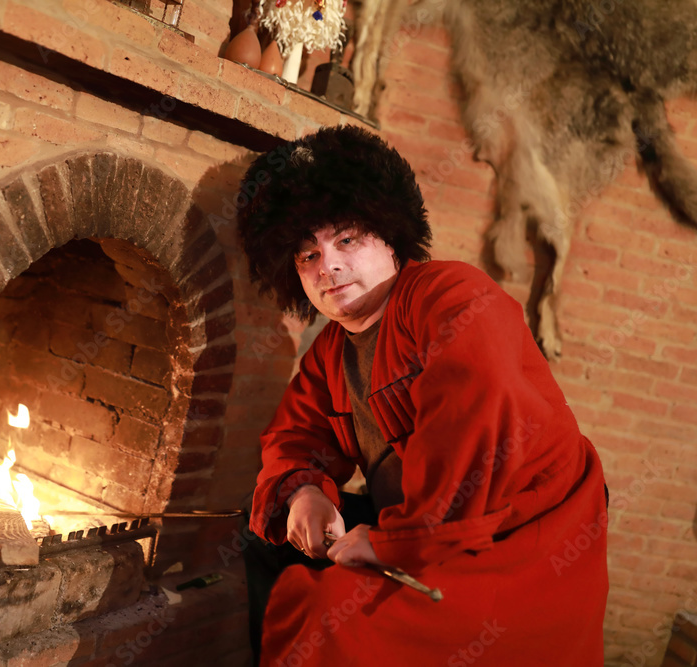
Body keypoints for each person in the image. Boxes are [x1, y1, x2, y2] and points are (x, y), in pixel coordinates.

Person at [236, 126, 608, 666]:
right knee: (261, 540)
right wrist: (305, 494)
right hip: (420, 526)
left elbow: (475, 434)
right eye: (306, 255)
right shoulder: (331, 350)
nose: (328, 266)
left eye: (346, 239)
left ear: (390, 234)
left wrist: (390, 544)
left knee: (328, 610)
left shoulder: (454, 298)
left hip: (510, 543)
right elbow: (295, 435)